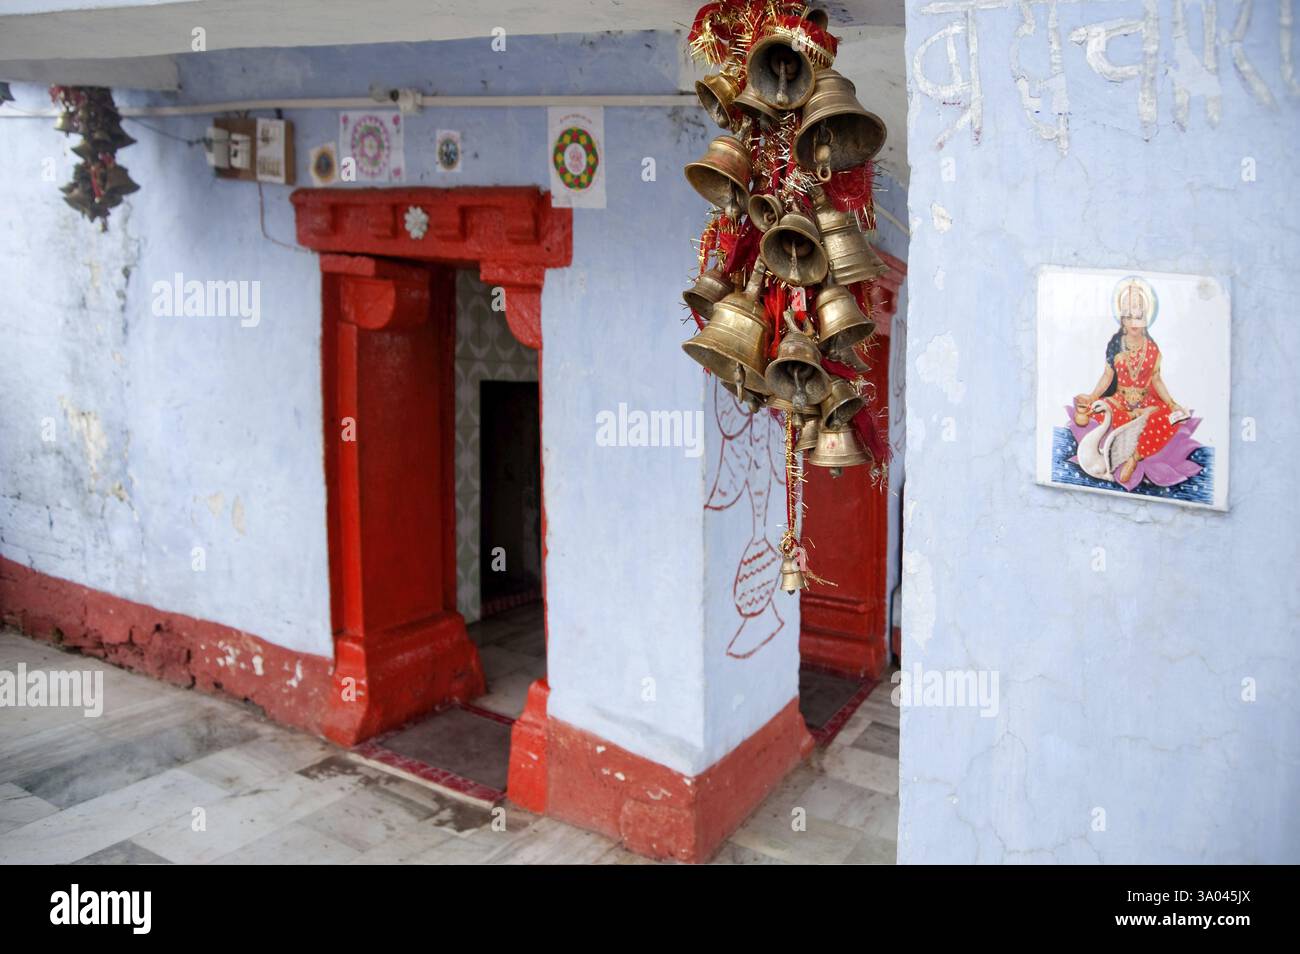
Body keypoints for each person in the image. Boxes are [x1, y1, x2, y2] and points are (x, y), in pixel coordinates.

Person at [1073, 277, 1186, 485]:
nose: (1134, 321)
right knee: (1108, 413)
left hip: (1146, 405)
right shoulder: (1116, 345)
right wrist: (1092, 396)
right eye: (1129, 316)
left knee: (1169, 417)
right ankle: (1127, 449)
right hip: (1120, 403)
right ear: (1122, 320)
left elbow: (1157, 379)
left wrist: (1171, 403)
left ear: (1146, 319)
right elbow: (1108, 376)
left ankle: (1134, 457)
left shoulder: (1152, 349)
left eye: (1139, 315)